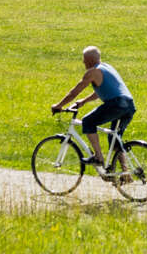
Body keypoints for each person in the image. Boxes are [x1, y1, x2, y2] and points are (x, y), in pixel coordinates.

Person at [50, 45, 136, 175]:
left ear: (89, 60)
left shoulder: (92, 72)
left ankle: (98, 157)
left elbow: (74, 92)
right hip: (129, 105)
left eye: (84, 59)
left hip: (117, 104)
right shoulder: (107, 67)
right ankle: (126, 173)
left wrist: (59, 105)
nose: (83, 62)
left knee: (88, 122)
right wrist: (83, 102)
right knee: (114, 138)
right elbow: (102, 91)